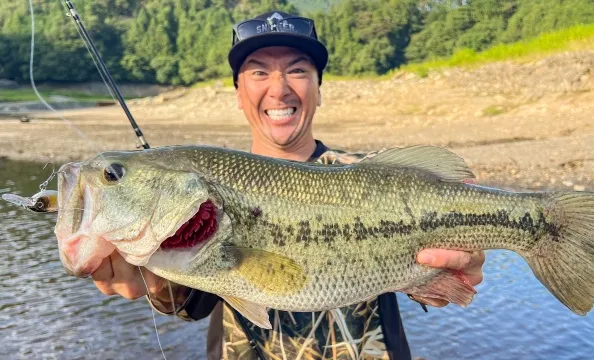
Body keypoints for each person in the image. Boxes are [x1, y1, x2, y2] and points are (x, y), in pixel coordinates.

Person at [90, 11, 485, 360]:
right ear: (239, 92)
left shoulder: (368, 176)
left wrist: (443, 279)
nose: (278, 88)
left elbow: (430, 273)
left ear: (318, 87)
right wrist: (152, 279)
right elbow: (192, 302)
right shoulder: (206, 189)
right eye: (259, 71)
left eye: (297, 70)